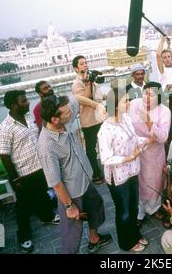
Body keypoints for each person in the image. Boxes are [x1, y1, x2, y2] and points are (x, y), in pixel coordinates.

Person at [37, 94, 111, 254]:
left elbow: (76, 98)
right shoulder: (46, 146)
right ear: (54, 119)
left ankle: (94, 239)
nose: (72, 112)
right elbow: (55, 182)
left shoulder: (65, 119)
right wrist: (69, 206)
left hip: (85, 181)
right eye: (67, 112)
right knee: (72, 232)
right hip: (72, 193)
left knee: (96, 206)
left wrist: (96, 105)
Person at [0, 90, 59, 253]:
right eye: (23, 101)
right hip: (23, 173)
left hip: (38, 167)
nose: (27, 103)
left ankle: (47, 216)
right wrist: (15, 179)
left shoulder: (28, 119)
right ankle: (24, 236)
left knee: (43, 194)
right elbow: (4, 156)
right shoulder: (5, 128)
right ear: (13, 105)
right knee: (23, 207)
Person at [97, 87, 155, 252]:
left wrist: (147, 140)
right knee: (123, 211)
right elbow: (106, 158)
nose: (129, 103)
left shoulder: (126, 119)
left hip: (132, 171)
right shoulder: (105, 130)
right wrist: (128, 158)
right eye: (126, 101)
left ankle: (134, 234)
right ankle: (126, 242)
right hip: (119, 177)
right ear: (115, 106)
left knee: (133, 208)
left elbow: (134, 138)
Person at [129, 81, 171, 226]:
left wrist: (149, 122)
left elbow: (164, 137)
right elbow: (124, 122)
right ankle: (140, 213)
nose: (147, 97)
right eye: (145, 93)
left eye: (151, 95)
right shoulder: (134, 104)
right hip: (135, 151)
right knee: (138, 181)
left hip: (154, 154)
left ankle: (153, 208)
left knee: (154, 182)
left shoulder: (165, 111)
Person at [71, 55, 106, 185]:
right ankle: (96, 174)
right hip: (89, 121)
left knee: (105, 144)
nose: (85, 65)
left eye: (86, 63)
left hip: (100, 118)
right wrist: (87, 83)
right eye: (81, 64)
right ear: (76, 68)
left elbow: (98, 97)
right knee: (91, 149)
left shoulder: (91, 80)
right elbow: (85, 100)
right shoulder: (77, 83)